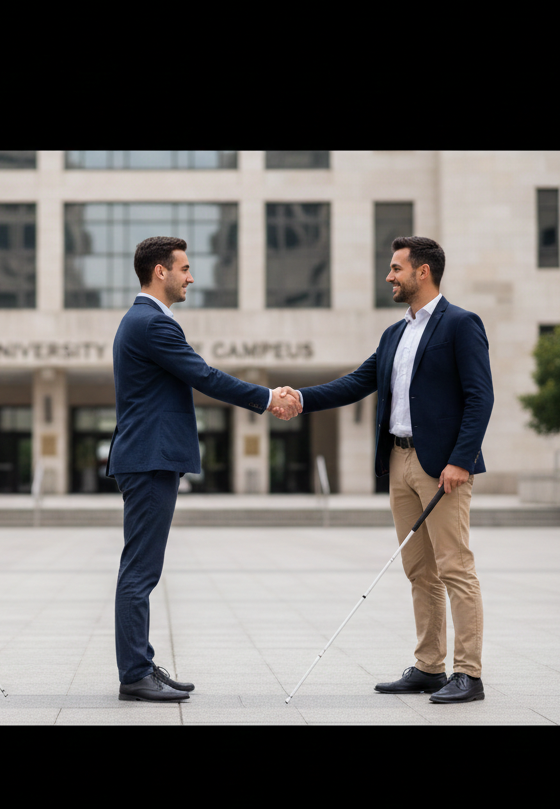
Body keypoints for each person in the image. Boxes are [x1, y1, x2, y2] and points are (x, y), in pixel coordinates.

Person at [273, 236, 493, 704]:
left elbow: (480, 397)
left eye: (396, 268)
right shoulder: (395, 333)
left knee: (455, 567)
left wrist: (459, 460)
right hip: (399, 461)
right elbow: (357, 382)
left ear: (424, 272)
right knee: (419, 571)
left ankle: (468, 674)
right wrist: (302, 399)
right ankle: (430, 667)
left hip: (442, 468)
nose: (389, 276)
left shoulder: (461, 325)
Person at [107, 237, 299, 702]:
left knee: (142, 567)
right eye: (185, 268)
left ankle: (142, 663)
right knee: (140, 570)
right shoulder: (152, 324)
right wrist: (268, 398)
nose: (191, 277)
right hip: (150, 458)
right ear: (160, 271)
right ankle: (135, 673)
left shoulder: (144, 321)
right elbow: (205, 376)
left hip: (148, 456)